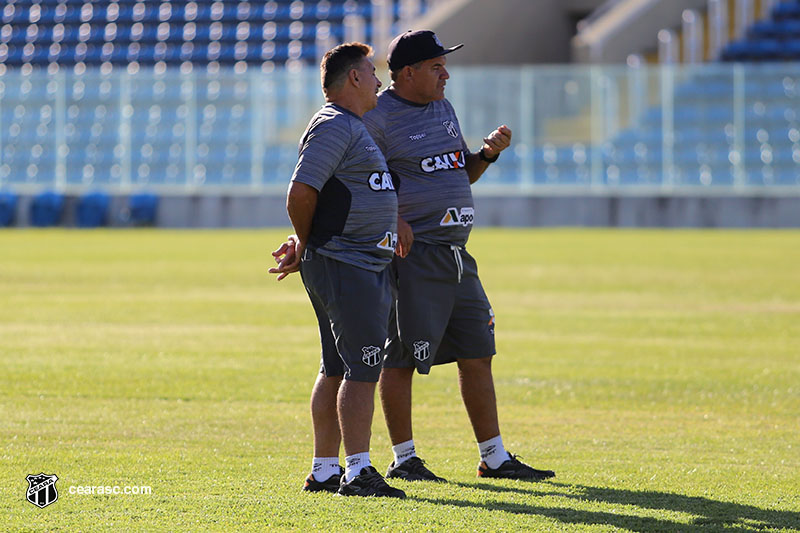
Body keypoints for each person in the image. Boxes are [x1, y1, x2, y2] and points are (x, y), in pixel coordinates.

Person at [362, 30, 556, 482]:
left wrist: (486, 154)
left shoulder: (443, 108)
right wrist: (392, 218)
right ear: (407, 73)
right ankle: (404, 458)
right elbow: (362, 182)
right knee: (400, 357)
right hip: (410, 257)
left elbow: (459, 172)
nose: (445, 75)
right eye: (436, 67)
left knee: (478, 350)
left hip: (455, 254)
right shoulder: (377, 117)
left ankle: (494, 457)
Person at [268, 42, 405, 498]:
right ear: (354, 78)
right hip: (347, 263)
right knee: (363, 367)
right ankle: (358, 471)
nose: (379, 80)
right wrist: (308, 240)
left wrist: (309, 241)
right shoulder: (335, 124)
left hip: (353, 261)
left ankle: (326, 469)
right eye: (372, 72)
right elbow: (301, 191)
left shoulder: (350, 125)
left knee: (336, 367)